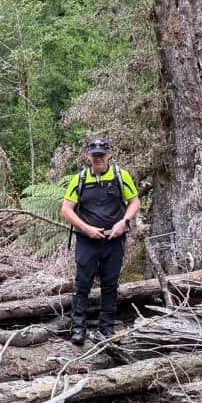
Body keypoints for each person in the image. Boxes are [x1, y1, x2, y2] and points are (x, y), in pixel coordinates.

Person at [60, 137, 140, 346]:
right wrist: (86, 229)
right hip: (87, 240)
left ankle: (107, 328)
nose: (98, 159)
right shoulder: (80, 179)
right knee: (82, 284)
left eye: (101, 155)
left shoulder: (121, 177)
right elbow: (66, 209)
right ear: (89, 156)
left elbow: (134, 202)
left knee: (110, 284)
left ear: (109, 155)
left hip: (114, 239)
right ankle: (78, 328)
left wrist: (124, 222)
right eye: (94, 155)